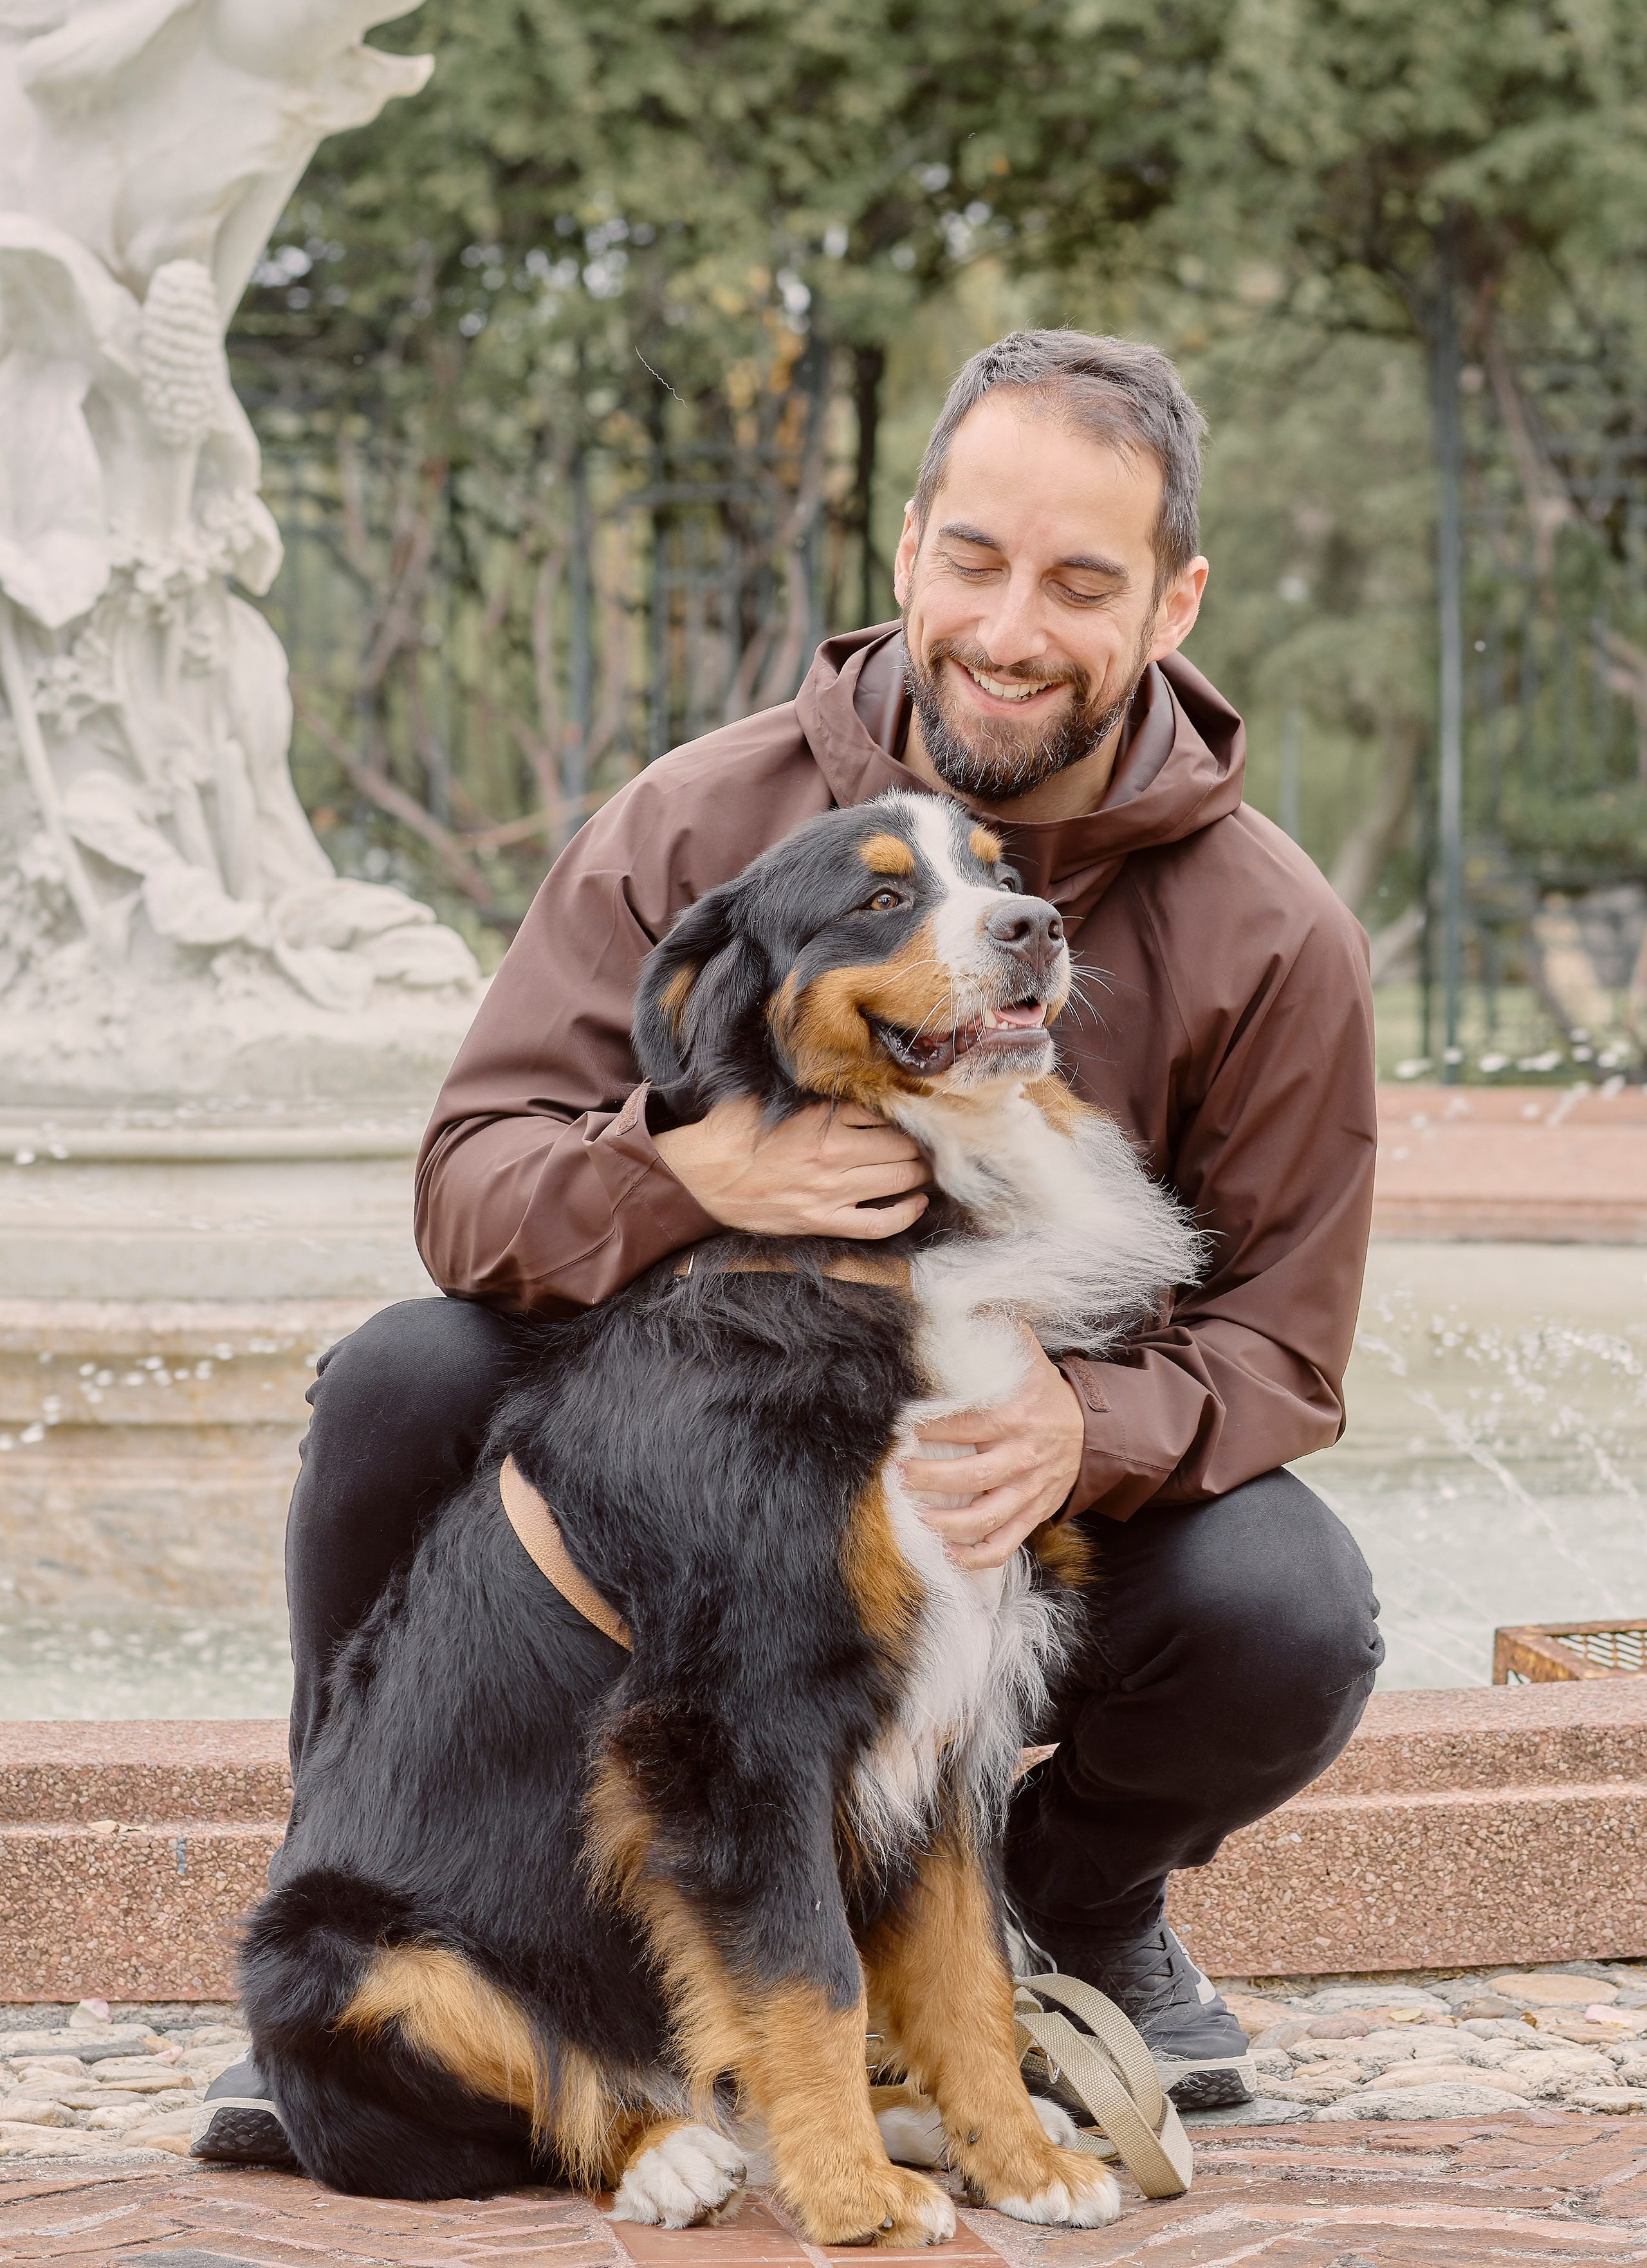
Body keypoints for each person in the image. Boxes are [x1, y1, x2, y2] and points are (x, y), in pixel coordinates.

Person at [197, 329, 1383, 2166]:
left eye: (1082, 581)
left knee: (1293, 1604)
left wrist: (1091, 1428)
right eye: (976, 558)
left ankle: (1072, 1912)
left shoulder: (1275, 930)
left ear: (1174, 601)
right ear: (910, 548)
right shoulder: (699, 819)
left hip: (1020, 1490)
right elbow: (470, 1177)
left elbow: (1287, 1351)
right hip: (692, 1465)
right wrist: (692, 1174)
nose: (1010, 624)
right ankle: (379, 1902)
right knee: (404, 1373)